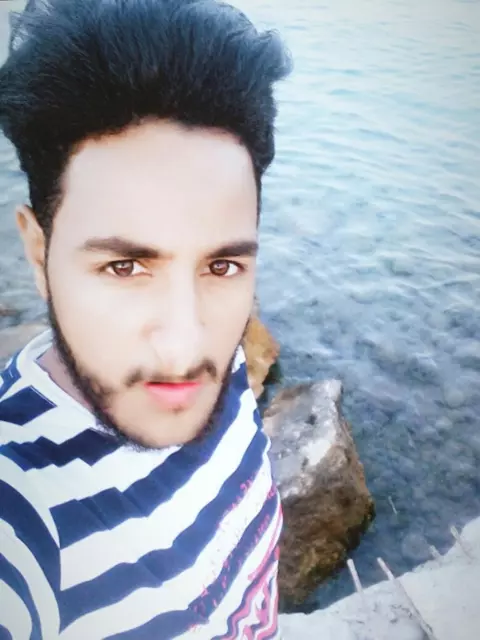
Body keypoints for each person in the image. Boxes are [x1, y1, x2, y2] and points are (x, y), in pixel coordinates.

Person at [0, 0, 292, 638]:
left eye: (221, 265)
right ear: (39, 252)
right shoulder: (22, 517)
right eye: (125, 267)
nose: (184, 347)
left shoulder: (222, 361)